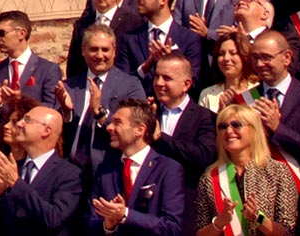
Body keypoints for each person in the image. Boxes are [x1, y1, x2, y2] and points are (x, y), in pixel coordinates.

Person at [0, 106, 82, 236]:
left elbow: (54, 218)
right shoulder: (14, 168)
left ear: (46, 131)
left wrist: (16, 183)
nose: (20, 124)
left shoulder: (69, 174)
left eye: (27, 120)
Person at [191, 103, 296, 236]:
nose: (228, 131)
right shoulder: (210, 177)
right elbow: (199, 233)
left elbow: (286, 231)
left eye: (236, 125)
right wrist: (219, 223)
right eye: (223, 127)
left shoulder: (278, 172)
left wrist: (258, 218)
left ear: (254, 130)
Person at [88, 99, 185, 236]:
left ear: (139, 130)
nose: (109, 127)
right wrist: (108, 226)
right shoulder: (105, 169)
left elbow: (171, 227)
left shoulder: (168, 169)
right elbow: (89, 221)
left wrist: (126, 214)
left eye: (118, 122)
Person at [57, 25, 145, 175]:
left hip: (109, 169)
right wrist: (66, 113)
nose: (99, 55)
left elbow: (136, 129)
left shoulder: (130, 85)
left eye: (105, 50)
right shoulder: (69, 87)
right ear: (83, 51)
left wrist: (100, 114)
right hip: (70, 170)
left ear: (114, 51)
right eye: (93, 49)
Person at [245, 31, 300, 169]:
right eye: (255, 58)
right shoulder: (244, 99)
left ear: (286, 57)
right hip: (255, 181)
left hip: (298, 182)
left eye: (266, 57)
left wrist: (277, 128)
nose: (259, 64)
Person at [123, 0, 205, 88]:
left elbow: (194, 82)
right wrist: (147, 66)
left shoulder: (189, 39)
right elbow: (123, 83)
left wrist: (172, 61)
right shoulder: (129, 39)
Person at [150, 53, 217, 191]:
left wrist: (160, 137)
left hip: (187, 196)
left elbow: (204, 157)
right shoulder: (149, 112)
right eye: (156, 76)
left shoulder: (205, 117)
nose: (158, 83)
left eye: (166, 78)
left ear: (186, 84)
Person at [0, 12, 63, 107]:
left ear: (21, 33)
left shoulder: (48, 70)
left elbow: (52, 108)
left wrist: (21, 102)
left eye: (1, 33)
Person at [196, 33, 255, 113]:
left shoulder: (256, 91)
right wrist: (221, 114)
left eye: (233, 53)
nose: (226, 58)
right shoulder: (208, 94)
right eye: (221, 54)